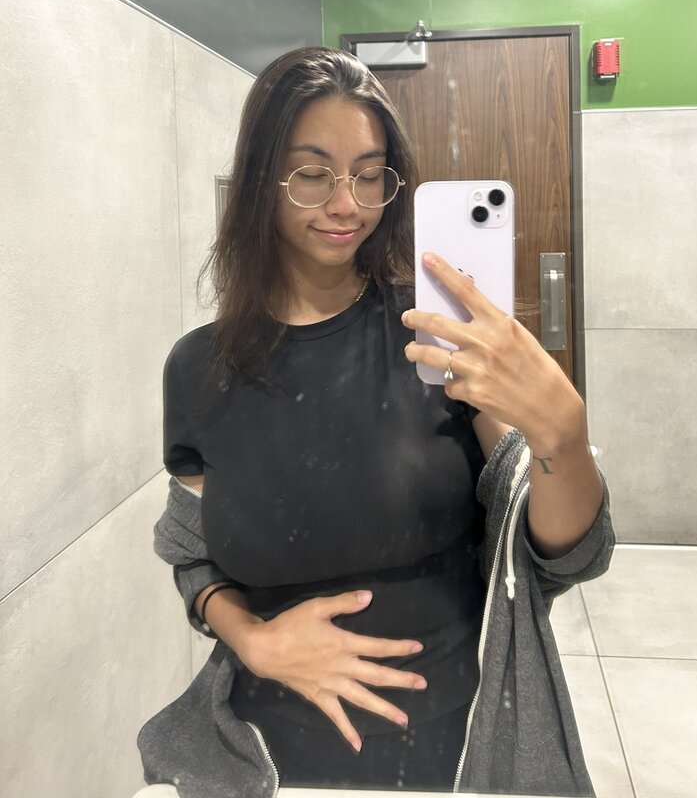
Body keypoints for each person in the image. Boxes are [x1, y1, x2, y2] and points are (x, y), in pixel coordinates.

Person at [138, 46, 614, 798]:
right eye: (313, 173)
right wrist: (251, 639)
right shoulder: (198, 367)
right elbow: (191, 552)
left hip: (456, 753)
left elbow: (567, 555)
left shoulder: (437, 337)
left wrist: (563, 438)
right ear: (260, 179)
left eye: (369, 174)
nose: (348, 205)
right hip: (263, 760)